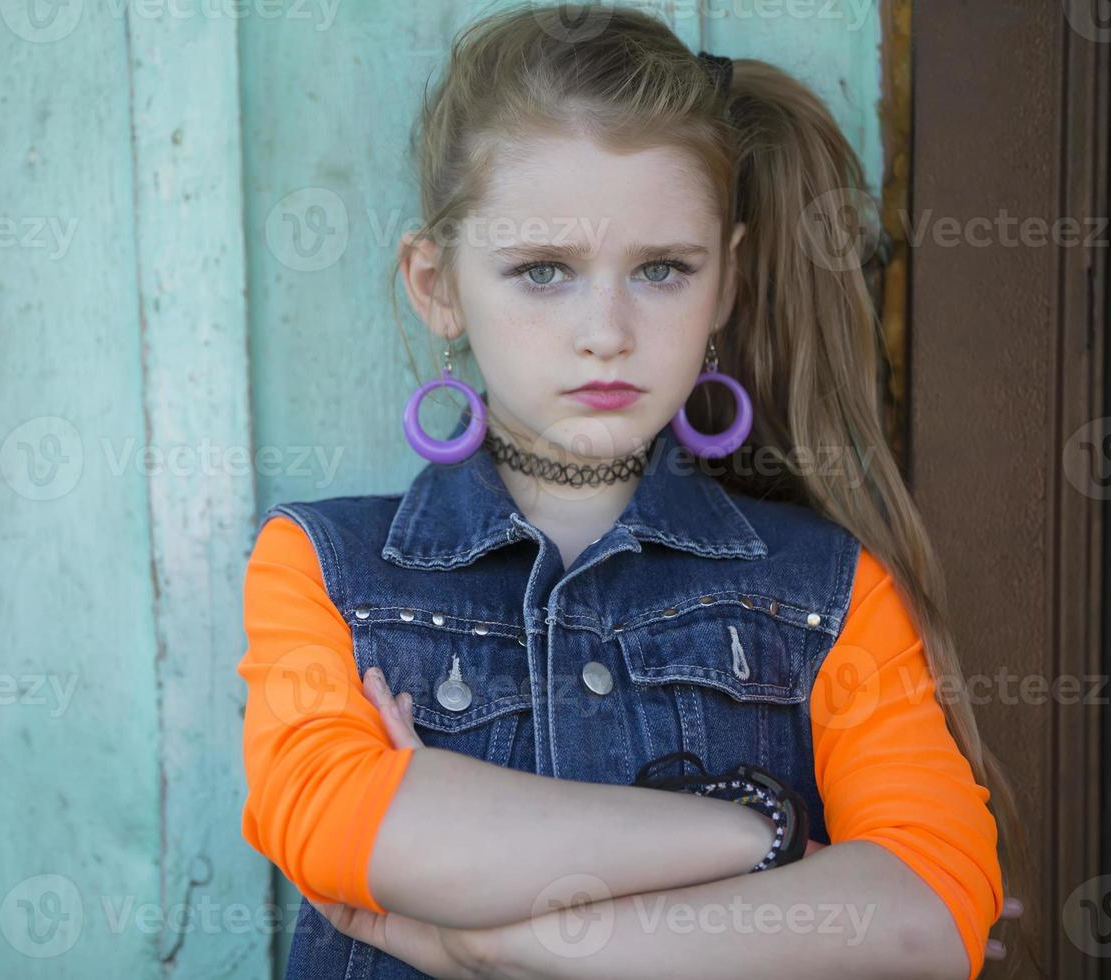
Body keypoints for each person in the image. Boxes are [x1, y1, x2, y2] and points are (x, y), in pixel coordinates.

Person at [238, 4, 1027, 977]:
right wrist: (759, 829)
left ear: (726, 282)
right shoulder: (324, 568)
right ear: (437, 283)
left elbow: (928, 912)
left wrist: (489, 941)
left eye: (660, 268)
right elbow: (335, 817)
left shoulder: (829, 591)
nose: (605, 328)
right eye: (542, 272)